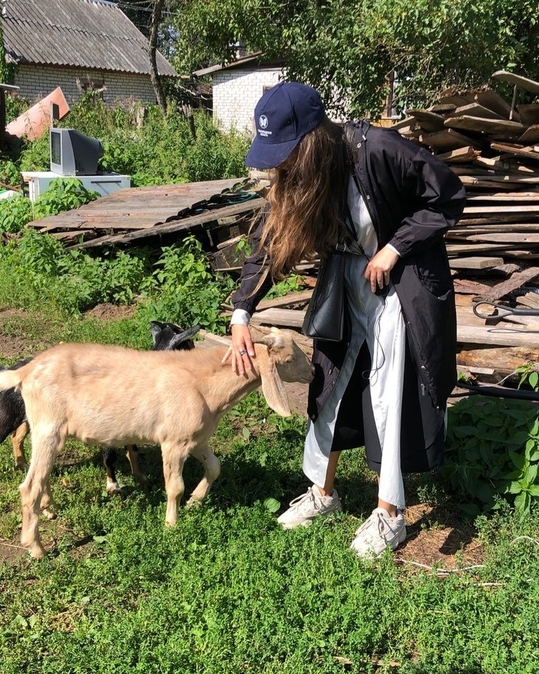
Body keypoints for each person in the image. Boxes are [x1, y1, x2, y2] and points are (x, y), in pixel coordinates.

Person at [224, 81, 466, 558]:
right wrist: (240, 313)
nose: (282, 164)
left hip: (398, 283)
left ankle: (390, 513)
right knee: (329, 387)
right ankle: (323, 492)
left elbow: (446, 195)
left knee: (389, 391)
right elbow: (269, 247)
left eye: (288, 151)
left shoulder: (378, 150)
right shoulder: (299, 180)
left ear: (313, 140)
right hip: (346, 284)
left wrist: (394, 248)